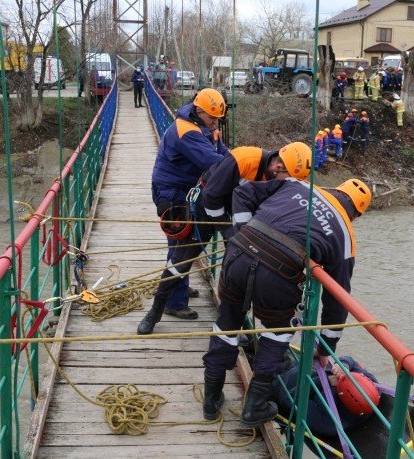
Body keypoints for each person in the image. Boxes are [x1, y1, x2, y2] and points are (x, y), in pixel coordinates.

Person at [201, 178, 372, 425]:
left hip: (238, 251)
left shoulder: (297, 185)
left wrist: (240, 229)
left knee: (226, 323)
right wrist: (325, 349)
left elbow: (244, 191)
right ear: (356, 214)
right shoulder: (345, 235)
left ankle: (210, 399)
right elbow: (337, 298)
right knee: (278, 333)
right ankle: (254, 407)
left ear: (337, 188)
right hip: (277, 273)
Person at [138, 142, 312, 335]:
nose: (285, 183)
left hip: (236, 210)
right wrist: (227, 230)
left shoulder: (275, 177)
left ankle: (236, 319)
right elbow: (211, 195)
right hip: (206, 204)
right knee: (180, 261)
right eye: (286, 177)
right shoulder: (244, 159)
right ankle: (154, 312)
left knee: (238, 265)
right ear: (277, 166)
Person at [147, 88, 229, 326]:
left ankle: (178, 287)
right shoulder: (187, 132)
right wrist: (241, 168)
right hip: (170, 192)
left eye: (218, 119)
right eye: (212, 118)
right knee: (180, 242)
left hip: (185, 189)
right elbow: (215, 163)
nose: (215, 123)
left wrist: (235, 158)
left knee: (183, 242)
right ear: (199, 110)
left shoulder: (204, 127)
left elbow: (222, 153)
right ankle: (174, 301)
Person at [274, 356, 380, 438]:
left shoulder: (328, 424)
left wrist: (325, 381)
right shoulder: (371, 385)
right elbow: (351, 360)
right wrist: (343, 365)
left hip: (279, 382)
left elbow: (289, 399)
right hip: (297, 367)